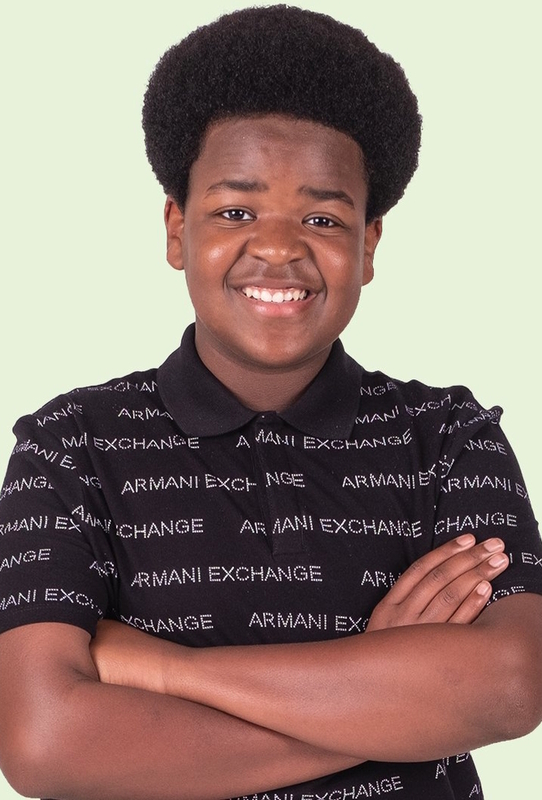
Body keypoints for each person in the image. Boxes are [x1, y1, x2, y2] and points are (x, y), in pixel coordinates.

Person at [0, 5, 541, 800]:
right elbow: (45, 745)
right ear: (177, 228)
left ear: (368, 246)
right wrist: (388, 698)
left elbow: (511, 686)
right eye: (236, 211)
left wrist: (165, 669)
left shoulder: (450, 438)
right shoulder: (70, 446)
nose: (280, 247)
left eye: (322, 217)